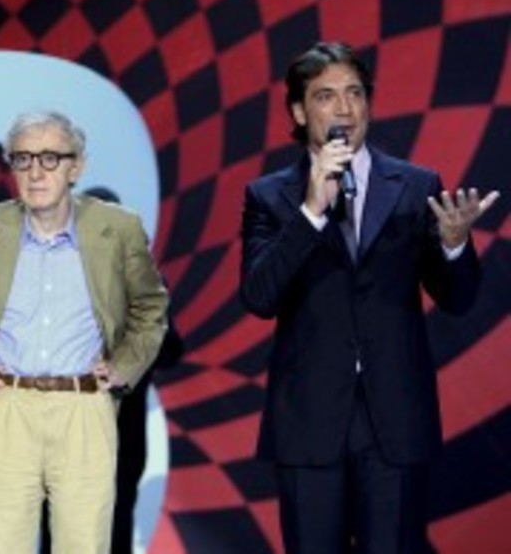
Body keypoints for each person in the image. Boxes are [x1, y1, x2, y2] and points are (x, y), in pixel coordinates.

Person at [239, 41, 500, 554]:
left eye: (355, 93)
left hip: (395, 421)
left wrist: (453, 246)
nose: (344, 108)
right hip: (310, 424)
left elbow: (458, 299)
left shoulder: (416, 186)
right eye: (326, 96)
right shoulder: (269, 196)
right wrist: (311, 212)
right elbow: (259, 296)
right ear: (299, 112)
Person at [0, 111, 168, 554]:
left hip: (84, 408)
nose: (35, 172)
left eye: (50, 158)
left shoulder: (117, 229)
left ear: (76, 167)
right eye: (23, 159)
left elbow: (151, 305)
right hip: (5, 405)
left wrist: (124, 366)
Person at [38, 186, 184, 554]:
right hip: (57, 432)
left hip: (120, 435)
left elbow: (171, 350)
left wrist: (131, 353)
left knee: (115, 529)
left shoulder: (147, 286)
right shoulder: (45, 279)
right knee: (55, 529)